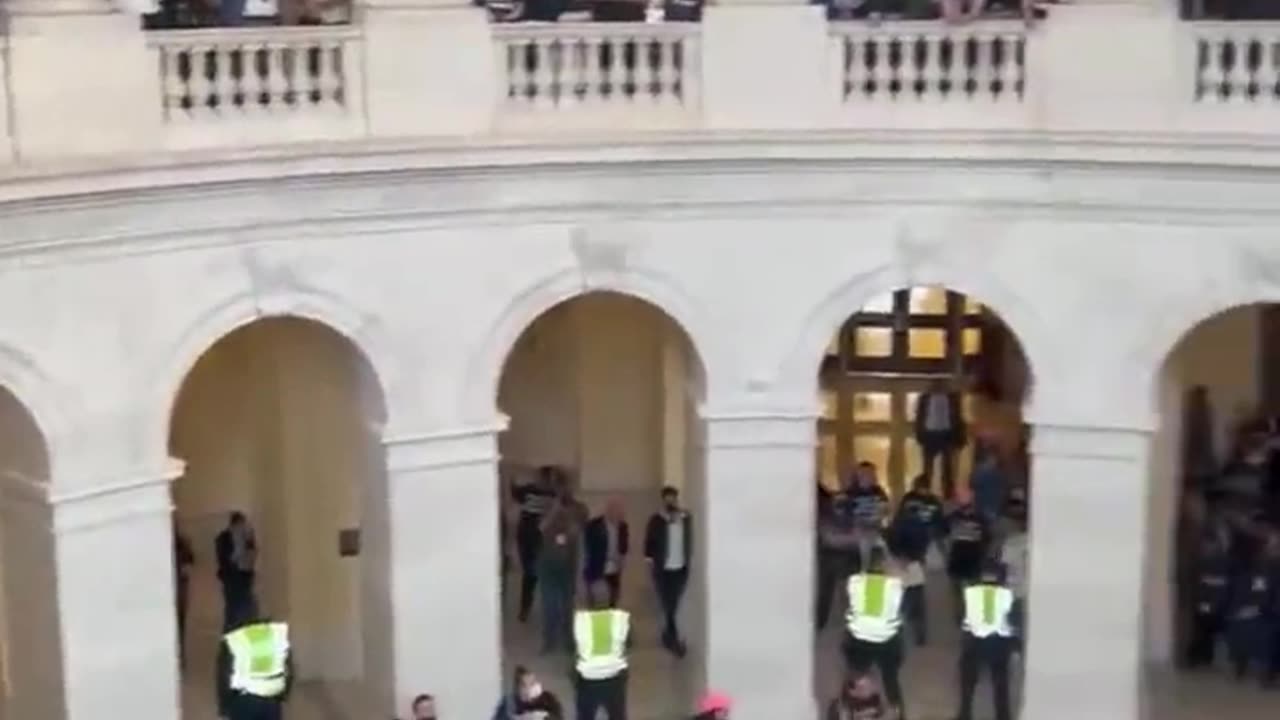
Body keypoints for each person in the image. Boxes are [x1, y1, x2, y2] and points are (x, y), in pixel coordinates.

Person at [842, 547, 906, 720]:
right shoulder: (895, 585)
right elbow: (897, 608)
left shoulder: (854, 581)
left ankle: (849, 709)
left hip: (859, 638)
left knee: (854, 674)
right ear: (885, 564)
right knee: (891, 678)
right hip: (886, 639)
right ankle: (898, 711)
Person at [889, 474, 946, 645]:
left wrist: (900, 555)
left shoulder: (910, 506)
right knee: (915, 595)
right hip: (914, 556)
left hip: (907, 557)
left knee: (907, 595)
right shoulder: (931, 505)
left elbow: (894, 532)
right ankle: (918, 633)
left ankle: (905, 630)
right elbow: (939, 526)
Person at [955, 560, 1015, 720]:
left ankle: (964, 714)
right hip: (998, 641)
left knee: (967, 680)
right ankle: (1003, 716)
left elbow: (962, 616)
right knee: (1000, 682)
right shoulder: (1006, 594)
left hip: (974, 640)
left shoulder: (970, 592)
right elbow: (1011, 618)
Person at [216, 604, 292, 720]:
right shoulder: (275, 634)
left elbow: (223, 676)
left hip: (244, 700)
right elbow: (289, 668)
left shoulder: (234, 639)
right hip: (272, 697)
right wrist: (284, 693)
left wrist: (224, 705)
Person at [645, 485, 693, 657]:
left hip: (680, 566)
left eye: (673, 498)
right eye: (667, 498)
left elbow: (689, 539)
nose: (670, 501)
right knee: (668, 603)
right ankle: (672, 640)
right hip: (662, 568)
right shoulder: (656, 520)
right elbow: (649, 542)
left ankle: (669, 636)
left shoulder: (685, 518)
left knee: (673, 603)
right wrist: (649, 561)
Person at [572, 582, 631, 720]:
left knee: (585, 715)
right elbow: (629, 643)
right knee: (618, 715)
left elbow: (574, 648)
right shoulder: (620, 618)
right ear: (610, 598)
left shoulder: (581, 620)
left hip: (588, 679)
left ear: (589, 600)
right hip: (614, 678)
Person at [538, 482, 584, 654]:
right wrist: (555, 510)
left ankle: (568, 642)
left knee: (567, 607)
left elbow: (577, 532)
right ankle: (549, 641)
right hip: (548, 566)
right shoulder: (549, 508)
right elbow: (541, 527)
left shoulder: (578, 510)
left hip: (567, 567)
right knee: (550, 607)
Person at [817, 474, 862, 631]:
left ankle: (851, 625)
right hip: (832, 555)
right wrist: (847, 538)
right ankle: (820, 624)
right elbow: (828, 537)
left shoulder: (849, 508)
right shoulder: (825, 509)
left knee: (849, 593)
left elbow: (855, 535)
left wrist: (841, 539)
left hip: (841, 555)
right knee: (825, 593)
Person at [512, 466, 558, 622]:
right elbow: (516, 494)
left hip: (536, 537)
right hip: (527, 536)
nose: (547, 482)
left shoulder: (552, 494)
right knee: (530, 573)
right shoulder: (533, 490)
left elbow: (515, 494)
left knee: (532, 574)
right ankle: (526, 608)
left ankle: (528, 608)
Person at [1225, 556, 1276, 682]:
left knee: (1243, 643)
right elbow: (1262, 598)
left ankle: (1240, 672)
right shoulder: (1260, 578)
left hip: (1239, 618)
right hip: (1255, 619)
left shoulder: (1239, 578)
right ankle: (1264, 677)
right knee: (1265, 643)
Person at [913, 379, 966, 499]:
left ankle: (948, 494)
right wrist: (919, 434)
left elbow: (958, 417)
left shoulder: (952, 398)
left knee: (947, 468)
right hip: (929, 434)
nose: (938, 386)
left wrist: (960, 437)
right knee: (927, 467)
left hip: (946, 434)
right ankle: (924, 493)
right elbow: (919, 416)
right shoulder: (925, 398)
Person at [1186, 531, 1231, 668]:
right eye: (1205, 546)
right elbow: (1197, 584)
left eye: (1209, 545)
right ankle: (1198, 657)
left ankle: (1204, 657)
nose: (1207, 548)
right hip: (1204, 603)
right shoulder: (1199, 563)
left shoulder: (1223, 562)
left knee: (1209, 630)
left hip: (1218, 605)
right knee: (1201, 630)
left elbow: (1225, 583)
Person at [945, 488, 990, 625]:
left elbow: (987, 538)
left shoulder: (953, 518)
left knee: (964, 592)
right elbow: (987, 539)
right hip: (963, 558)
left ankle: (965, 617)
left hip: (966, 558)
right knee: (963, 591)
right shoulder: (978, 519)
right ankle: (966, 617)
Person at [215, 511, 258, 630]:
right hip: (232, 579)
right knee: (234, 612)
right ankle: (230, 639)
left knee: (245, 611)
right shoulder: (224, 538)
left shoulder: (247, 538)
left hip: (244, 578)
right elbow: (227, 559)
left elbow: (252, 556)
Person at [584, 498, 630, 607]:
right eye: (618, 513)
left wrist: (622, 557)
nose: (620, 516)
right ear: (609, 512)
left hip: (614, 570)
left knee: (613, 601)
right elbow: (588, 547)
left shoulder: (623, 526)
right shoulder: (594, 526)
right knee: (598, 603)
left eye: (621, 514)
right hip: (597, 569)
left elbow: (624, 545)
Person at [492, 666, 564, 720]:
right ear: (518, 688)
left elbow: (558, 716)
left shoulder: (548, 699)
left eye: (532, 683)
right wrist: (524, 718)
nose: (530, 688)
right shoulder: (509, 703)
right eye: (525, 685)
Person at [173, 518, 195, 668]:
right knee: (179, 625)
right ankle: (178, 658)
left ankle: (178, 658)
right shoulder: (181, 543)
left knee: (179, 624)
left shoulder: (181, 543)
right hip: (177, 588)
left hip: (178, 588)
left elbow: (190, 560)